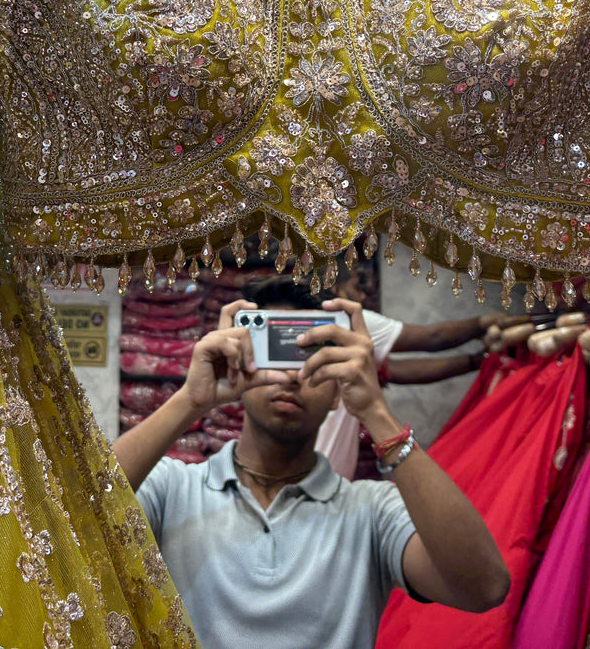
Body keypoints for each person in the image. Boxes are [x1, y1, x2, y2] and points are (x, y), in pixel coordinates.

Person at [113, 276, 510, 649]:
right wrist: (191, 401)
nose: (290, 375)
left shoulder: (372, 511)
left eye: (310, 357)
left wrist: (376, 412)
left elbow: (484, 587)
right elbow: (67, 511)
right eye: (274, 349)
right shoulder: (171, 488)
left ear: (338, 393)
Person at [320, 266, 528, 478]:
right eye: (357, 287)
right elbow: (433, 338)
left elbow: (397, 370)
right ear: (336, 291)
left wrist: (481, 359)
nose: (363, 296)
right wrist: (483, 324)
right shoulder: (346, 321)